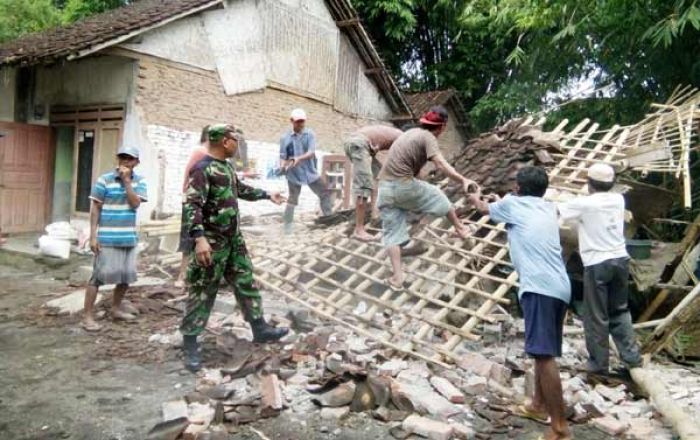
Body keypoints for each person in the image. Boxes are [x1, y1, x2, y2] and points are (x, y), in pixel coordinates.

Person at [469, 166, 571, 440]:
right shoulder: (549, 207)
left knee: (544, 355)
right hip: (560, 287)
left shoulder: (512, 204)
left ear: (517, 188)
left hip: (539, 287)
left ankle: (560, 429)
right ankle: (538, 405)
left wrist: (477, 196)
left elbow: (482, 209)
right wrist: (498, 200)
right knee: (542, 351)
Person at [181, 124, 289, 372]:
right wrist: (199, 239)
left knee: (245, 282)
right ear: (224, 142)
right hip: (212, 243)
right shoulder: (202, 169)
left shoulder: (227, 167)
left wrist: (267, 195)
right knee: (202, 291)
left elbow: (240, 190)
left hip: (233, 241)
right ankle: (190, 343)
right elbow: (192, 205)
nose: (237, 144)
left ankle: (259, 328)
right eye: (234, 140)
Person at [377, 106, 477, 290]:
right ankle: (461, 229)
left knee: (392, 235)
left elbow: (414, 173)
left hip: (384, 189)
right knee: (438, 194)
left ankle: (397, 278)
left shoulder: (410, 134)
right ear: (443, 126)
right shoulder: (428, 137)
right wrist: (462, 179)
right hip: (401, 186)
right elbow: (439, 163)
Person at [558, 163, 642, 374]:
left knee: (595, 314)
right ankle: (632, 359)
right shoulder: (618, 199)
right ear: (612, 183)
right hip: (620, 260)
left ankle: (598, 362)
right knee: (619, 311)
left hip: (597, 263)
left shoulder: (586, 204)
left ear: (590, 184)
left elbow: (558, 210)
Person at [82, 146, 148, 332]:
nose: (125, 162)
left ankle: (116, 309)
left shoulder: (140, 181)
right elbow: (96, 208)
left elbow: (135, 204)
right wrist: (93, 236)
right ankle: (87, 316)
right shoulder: (104, 180)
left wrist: (127, 182)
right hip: (107, 237)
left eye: (130, 159)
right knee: (97, 278)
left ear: (136, 162)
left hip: (128, 237)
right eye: (122, 158)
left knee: (125, 277)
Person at [343, 125, 403, 241]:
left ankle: (375, 215)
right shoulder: (403, 138)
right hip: (359, 144)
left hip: (360, 144)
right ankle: (359, 230)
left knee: (378, 177)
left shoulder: (396, 135)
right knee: (364, 185)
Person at [280, 108, 332, 232]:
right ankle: (287, 227)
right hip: (293, 173)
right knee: (293, 198)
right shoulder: (285, 138)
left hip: (309, 172)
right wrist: (282, 166)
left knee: (325, 193)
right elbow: (283, 156)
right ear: (291, 121)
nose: (301, 124)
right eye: (298, 122)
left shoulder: (310, 134)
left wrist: (299, 158)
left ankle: (329, 220)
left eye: (303, 121)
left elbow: (311, 151)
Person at [176, 125, 210, 288]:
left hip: (207, 202)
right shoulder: (201, 151)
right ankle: (182, 276)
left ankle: (198, 276)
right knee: (189, 238)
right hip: (194, 201)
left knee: (205, 238)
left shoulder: (213, 155)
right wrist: (186, 194)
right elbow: (188, 172)